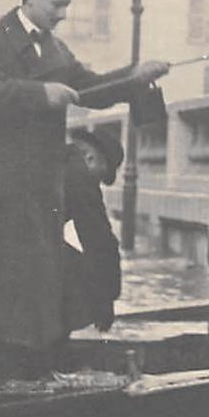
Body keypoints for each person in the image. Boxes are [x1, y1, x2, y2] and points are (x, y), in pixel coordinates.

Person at [0, 0, 170, 379]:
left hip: (36, 185)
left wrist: (134, 77)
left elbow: (90, 89)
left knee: (31, 276)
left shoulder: (57, 50)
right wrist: (41, 95)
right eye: (56, 3)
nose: (62, 13)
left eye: (65, 4)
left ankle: (22, 362)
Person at [60, 128, 123, 341]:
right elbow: (99, 239)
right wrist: (106, 297)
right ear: (91, 157)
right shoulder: (79, 172)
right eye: (101, 175)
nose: (97, 183)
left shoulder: (59, 156)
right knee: (82, 275)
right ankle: (50, 345)